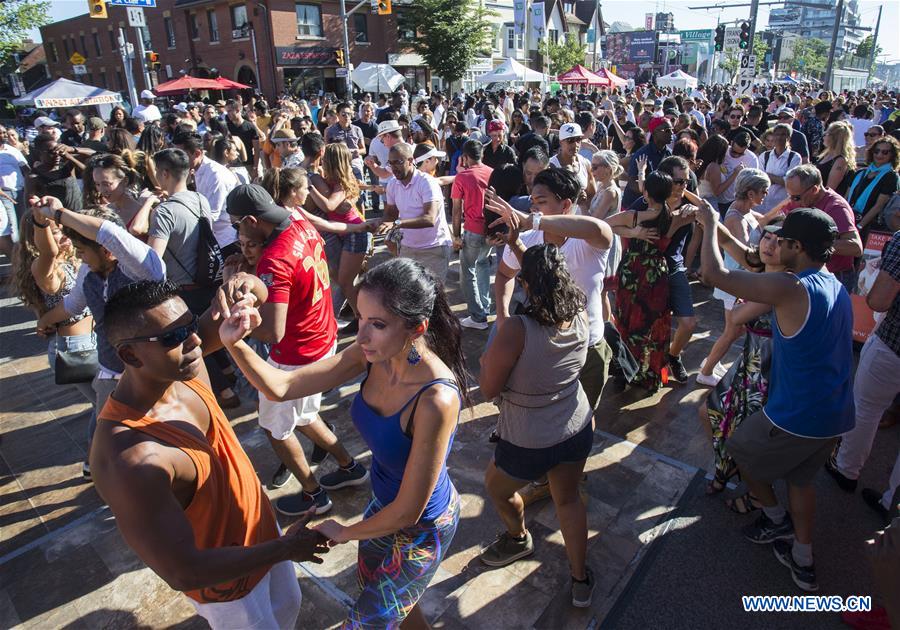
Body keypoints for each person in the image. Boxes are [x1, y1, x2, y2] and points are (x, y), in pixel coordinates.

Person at [220, 258, 466, 629]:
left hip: (422, 526)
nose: (361, 335)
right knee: (384, 594)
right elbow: (282, 387)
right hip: (383, 506)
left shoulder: (436, 398)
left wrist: (343, 532)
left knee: (364, 621)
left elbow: (409, 512)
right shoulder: (369, 356)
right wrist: (234, 342)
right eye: (360, 318)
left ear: (417, 328)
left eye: (378, 325)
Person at [93, 279, 329, 629]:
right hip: (233, 590)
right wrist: (286, 549)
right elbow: (184, 572)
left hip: (268, 541)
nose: (196, 339)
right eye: (174, 336)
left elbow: (258, 298)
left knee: (288, 612)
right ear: (129, 355)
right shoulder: (130, 457)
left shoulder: (182, 363)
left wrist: (247, 288)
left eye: (190, 325)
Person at [698, 204, 854, 593]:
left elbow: (712, 275)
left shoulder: (791, 286)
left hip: (794, 416)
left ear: (795, 246)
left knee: (739, 449)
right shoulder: (835, 284)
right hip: (834, 416)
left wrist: (710, 223)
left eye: (780, 240)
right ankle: (803, 559)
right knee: (801, 482)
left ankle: (772, 515)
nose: (773, 243)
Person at [225, 184, 368, 515]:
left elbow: (273, 331)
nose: (237, 232)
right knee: (303, 414)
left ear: (251, 219)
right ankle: (350, 467)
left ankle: (313, 494)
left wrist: (233, 306)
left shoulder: (274, 260)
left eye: (237, 224)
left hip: (295, 353)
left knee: (274, 428)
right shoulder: (299, 219)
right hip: (322, 333)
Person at [478, 243, 596, 608]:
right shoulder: (579, 311)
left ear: (526, 284)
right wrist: (518, 243)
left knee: (497, 488)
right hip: (576, 424)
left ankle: (517, 539)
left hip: (528, 437)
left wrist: (489, 353)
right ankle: (580, 580)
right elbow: (544, 264)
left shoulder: (517, 328)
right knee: (569, 499)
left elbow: (487, 390)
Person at [489, 167, 613, 410]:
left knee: (583, 416)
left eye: (541, 202)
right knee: (538, 413)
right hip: (541, 349)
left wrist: (531, 221)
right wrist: (502, 317)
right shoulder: (526, 239)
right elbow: (505, 274)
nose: (533, 208)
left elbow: (599, 229)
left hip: (588, 348)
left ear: (566, 205)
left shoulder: (589, 240)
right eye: (532, 201)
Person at [12, 207, 96, 478]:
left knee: (107, 404)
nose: (64, 238)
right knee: (109, 404)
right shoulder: (45, 267)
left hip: (89, 343)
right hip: (76, 349)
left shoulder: (69, 261)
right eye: (57, 233)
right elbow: (47, 251)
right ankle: (94, 462)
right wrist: (41, 223)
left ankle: (96, 461)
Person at [702, 227, 782, 509]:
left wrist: (738, 295)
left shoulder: (780, 283)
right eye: (767, 237)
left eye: (779, 241)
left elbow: (735, 317)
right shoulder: (759, 267)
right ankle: (726, 467)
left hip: (769, 366)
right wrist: (706, 217)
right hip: (750, 359)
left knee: (752, 435)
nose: (769, 245)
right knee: (711, 410)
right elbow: (725, 239)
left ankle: (759, 496)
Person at [826, 229, 900, 520]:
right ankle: (892, 503)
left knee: (866, 408)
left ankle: (847, 470)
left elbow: (879, 301)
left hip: (893, 344)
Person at [699, 169, 776, 386]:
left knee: (735, 330)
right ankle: (705, 371)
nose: (767, 196)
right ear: (751, 194)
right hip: (735, 282)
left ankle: (712, 363)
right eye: (764, 191)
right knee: (732, 331)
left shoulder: (747, 212)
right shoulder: (736, 218)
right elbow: (746, 256)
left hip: (741, 282)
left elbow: (766, 220)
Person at [307, 142, 368, 318]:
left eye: (325, 158)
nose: (322, 160)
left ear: (332, 161)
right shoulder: (330, 180)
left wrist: (309, 187)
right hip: (345, 233)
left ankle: (362, 317)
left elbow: (329, 206)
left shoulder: (341, 184)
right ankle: (360, 316)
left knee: (345, 282)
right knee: (346, 280)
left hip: (355, 234)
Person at [780, 164, 863, 292]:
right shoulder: (802, 199)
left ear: (814, 190)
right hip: (808, 273)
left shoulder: (836, 207)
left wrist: (814, 243)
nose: (792, 201)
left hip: (835, 276)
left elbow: (855, 247)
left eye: (796, 197)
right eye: (789, 196)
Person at [379, 142, 453, 281]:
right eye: (390, 163)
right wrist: (377, 225)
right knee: (411, 297)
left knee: (434, 298)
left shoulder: (427, 182)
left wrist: (397, 223)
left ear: (411, 161)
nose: (394, 168)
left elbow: (429, 219)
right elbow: (390, 215)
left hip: (434, 249)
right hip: (407, 248)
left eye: (398, 162)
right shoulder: (393, 184)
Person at [451, 139, 494, 330]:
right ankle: (484, 308)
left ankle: (478, 317)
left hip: (472, 230)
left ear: (465, 157)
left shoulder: (462, 177)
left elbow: (456, 210)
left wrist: (456, 235)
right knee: (483, 265)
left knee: (468, 272)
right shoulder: (491, 172)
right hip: (490, 229)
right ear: (482, 155)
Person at [846, 136, 900, 235]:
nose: (879, 155)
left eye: (885, 152)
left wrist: (859, 226)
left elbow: (878, 206)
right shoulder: (860, 172)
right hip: (849, 219)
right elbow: (846, 197)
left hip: (869, 226)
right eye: (876, 151)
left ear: (892, 155)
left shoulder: (891, 176)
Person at [623, 117, 672, 207]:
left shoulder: (669, 153)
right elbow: (632, 183)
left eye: (672, 129)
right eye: (667, 130)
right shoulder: (642, 154)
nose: (671, 133)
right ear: (654, 132)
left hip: (655, 204)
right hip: (634, 205)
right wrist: (653, 192)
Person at [550, 123, 595, 210]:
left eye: (578, 139)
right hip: (561, 220)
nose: (575, 145)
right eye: (570, 140)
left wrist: (584, 202)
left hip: (582, 219)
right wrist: (573, 199)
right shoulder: (551, 166)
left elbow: (592, 195)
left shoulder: (585, 163)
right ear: (561, 142)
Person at [758, 123, 802, 212]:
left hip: (782, 207)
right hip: (762, 206)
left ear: (788, 138)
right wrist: (779, 179)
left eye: (783, 134)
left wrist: (769, 176)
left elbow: (789, 183)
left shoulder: (794, 157)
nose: (779, 137)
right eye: (777, 134)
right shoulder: (764, 156)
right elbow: (759, 180)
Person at [0, 125, 28, 258]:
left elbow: (25, 169)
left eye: (5, 132)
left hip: (20, 191)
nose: (4, 135)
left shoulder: (12, 150)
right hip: (3, 195)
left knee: (23, 225)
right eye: (1, 133)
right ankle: (18, 260)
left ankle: (26, 254)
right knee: (12, 228)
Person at [718, 132, 760, 211]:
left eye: (740, 153)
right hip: (718, 197)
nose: (736, 155)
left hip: (734, 201)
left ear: (747, 148)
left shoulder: (752, 159)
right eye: (733, 152)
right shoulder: (723, 150)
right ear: (731, 143)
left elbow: (753, 184)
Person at [814, 120, 854, 195]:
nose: (824, 135)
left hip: (824, 202)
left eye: (827, 133)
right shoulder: (825, 155)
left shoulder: (840, 161)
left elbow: (830, 189)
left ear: (834, 138)